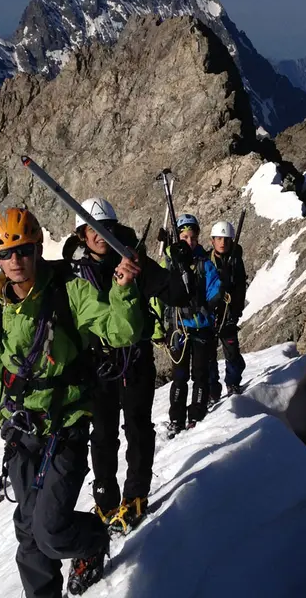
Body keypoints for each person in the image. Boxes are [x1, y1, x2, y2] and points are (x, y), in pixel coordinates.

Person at [0, 207, 143, 598]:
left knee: (49, 531)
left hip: (65, 426)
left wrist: (123, 290)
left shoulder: (70, 289)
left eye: (23, 250)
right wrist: (7, 420)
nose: (15, 261)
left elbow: (122, 330)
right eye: (5, 254)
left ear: (37, 248)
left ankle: (95, 540)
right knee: (28, 532)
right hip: (22, 430)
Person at [62, 197, 190, 534]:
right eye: (92, 228)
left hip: (134, 359)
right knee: (102, 434)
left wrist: (180, 264)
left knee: (137, 427)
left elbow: (178, 294)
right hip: (97, 364)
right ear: (81, 235)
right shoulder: (73, 276)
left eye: (105, 227)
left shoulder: (136, 264)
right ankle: (105, 498)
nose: (99, 234)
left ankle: (136, 494)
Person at [152, 214, 222, 438]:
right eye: (185, 237)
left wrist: (211, 303)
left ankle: (196, 414)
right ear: (178, 237)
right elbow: (156, 298)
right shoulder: (168, 263)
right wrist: (157, 329)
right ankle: (176, 418)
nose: (190, 241)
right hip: (178, 328)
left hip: (201, 327)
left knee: (200, 373)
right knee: (180, 376)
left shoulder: (205, 264)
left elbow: (215, 289)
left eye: (193, 237)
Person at [207, 220, 247, 404]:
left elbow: (240, 288)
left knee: (231, 352)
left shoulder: (236, 262)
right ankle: (212, 390)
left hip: (228, 314)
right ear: (212, 240)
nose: (222, 242)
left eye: (226, 239)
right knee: (208, 355)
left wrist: (236, 309)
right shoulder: (206, 261)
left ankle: (233, 382)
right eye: (219, 239)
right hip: (210, 314)